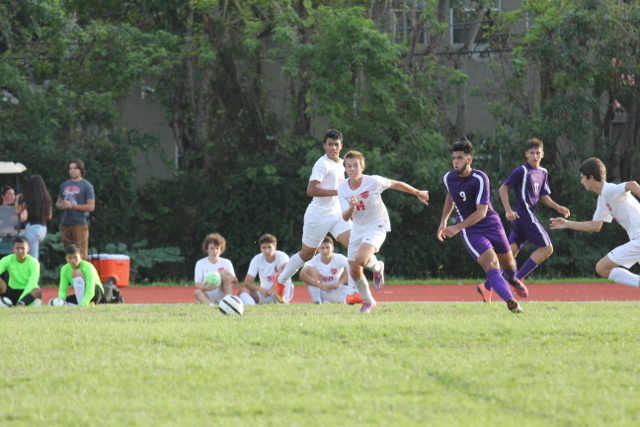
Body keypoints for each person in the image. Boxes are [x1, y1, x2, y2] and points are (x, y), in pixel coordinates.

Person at [272, 129, 385, 303]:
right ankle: (280, 281)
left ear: (342, 146)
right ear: (324, 146)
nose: (333, 147)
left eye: (336, 144)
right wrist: (338, 192)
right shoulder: (322, 164)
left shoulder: (343, 163)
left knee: (355, 246)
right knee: (307, 254)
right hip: (318, 216)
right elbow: (311, 190)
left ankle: (374, 271)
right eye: (330, 144)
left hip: (338, 214)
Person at [438, 140, 525, 313]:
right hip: (471, 230)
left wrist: (456, 227)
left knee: (508, 265)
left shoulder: (480, 178)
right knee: (491, 262)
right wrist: (444, 222)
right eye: (454, 158)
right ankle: (511, 301)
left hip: (492, 224)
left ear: (469, 161)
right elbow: (451, 196)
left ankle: (510, 281)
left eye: (460, 158)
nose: (456, 161)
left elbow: (481, 212)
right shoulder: (448, 178)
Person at [338, 150, 430, 313]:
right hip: (357, 228)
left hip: (377, 225)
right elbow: (345, 218)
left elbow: (395, 184)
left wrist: (417, 193)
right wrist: (352, 206)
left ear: (362, 166)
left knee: (361, 258)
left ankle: (377, 267)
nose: (352, 169)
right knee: (354, 270)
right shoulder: (343, 188)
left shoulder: (373, 181)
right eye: (349, 166)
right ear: (345, 168)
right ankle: (368, 301)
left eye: (356, 166)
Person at [550, 158, 640, 289]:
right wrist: (567, 223)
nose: (581, 181)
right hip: (636, 239)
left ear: (591, 178)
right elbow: (595, 226)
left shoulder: (608, 190)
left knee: (602, 268)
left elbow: (631, 184)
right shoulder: (602, 199)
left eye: (583, 178)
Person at [498, 139, 570, 292]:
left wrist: (558, 207)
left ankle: (488, 285)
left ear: (542, 155)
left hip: (521, 220)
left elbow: (542, 195)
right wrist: (508, 210)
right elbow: (503, 188)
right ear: (526, 154)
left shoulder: (543, 172)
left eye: (538, 153)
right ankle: (518, 278)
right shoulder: (522, 171)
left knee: (511, 252)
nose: (535, 156)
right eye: (531, 153)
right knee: (547, 248)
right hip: (525, 216)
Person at [299, 236, 361, 304]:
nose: (325, 250)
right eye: (322, 248)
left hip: (338, 289)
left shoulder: (339, 258)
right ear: (318, 249)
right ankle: (317, 302)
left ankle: (341, 301)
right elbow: (302, 275)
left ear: (333, 248)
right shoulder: (314, 260)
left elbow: (354, 267)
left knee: (349, 268)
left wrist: (340, 283)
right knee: (312, 270)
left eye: (327, 247)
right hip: (321, 290)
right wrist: (321, 286)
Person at [238, 234, 293, 306]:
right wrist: (259, 289)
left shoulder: (282, 256)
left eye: (269, 247)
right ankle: (251, 307)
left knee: (284, 269)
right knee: (242, 291)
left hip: (280, 289)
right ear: (260, 248)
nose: (266, 251)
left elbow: (288, 271)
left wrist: (272, 288)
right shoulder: (257, 259)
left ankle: (284, 303)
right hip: (265, 293)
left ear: (275, 247)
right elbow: (247, 282)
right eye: (264, 247)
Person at [55, 159, 95, 258]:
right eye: (70, 168)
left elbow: (91, 206)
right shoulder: (64, 185)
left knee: (81, 253)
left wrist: (72, 206)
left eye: (75, 168)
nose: (72, 171)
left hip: (80, 223)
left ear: (81, 170)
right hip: (65, 223)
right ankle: (69, 273)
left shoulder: (87, 186)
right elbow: (57, 203)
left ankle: (81, 273)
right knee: (68, 253)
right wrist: (61, 205)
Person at [14, 175, 53, 261]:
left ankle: (33, 273)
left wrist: (17, 199)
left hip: (32, 227)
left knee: (33, 257)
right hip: (43, 229)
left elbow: (18, 211)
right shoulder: (47, 199)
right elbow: (49, 216)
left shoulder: (28, 199)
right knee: (19, 239)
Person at [193, 233, 238, 305]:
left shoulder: (226, 262)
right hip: (207, 293)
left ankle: (228, 299)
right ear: (207, 249)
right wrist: (205, 288)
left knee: (224, 273)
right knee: (197, 292)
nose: (215, 251)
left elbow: (235, 281)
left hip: (221, 292)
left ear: (221, 250)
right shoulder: (200, 263)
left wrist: (230, 278)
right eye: (212, 248)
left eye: (217, 248)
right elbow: (197, 284)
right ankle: (210, 304)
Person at [0, 236, 43, 307]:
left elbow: (33, 282)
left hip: (27, 292)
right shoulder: (6, 260)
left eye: (23, 248)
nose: (20, 251)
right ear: (13, 249)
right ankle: (22, 303)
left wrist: (22, 298)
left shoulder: (34, 262)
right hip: (11, 290)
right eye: (17, 248)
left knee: (37, 290)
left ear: (28, 249)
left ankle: (22, 303)